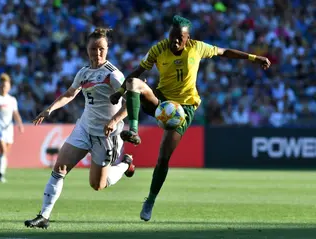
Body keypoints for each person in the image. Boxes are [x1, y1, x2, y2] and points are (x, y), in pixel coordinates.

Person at [110, 15, 271, 221]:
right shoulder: (158, 49)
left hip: (184, 109)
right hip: (161, 101)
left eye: (180, 37)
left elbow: (224, 51)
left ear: (188, 38)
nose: (175, 41)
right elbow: (139, 70)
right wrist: (119, 91)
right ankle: (133, 130)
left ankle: (150, 199)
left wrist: (254, 58)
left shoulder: (197, 47)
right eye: (172, 36)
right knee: (133, 83)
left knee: (163, 157)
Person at [24, 28, 135, 229]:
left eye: (101, 49)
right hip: (84, 127)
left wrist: (114, 120)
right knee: (60, 166)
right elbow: (70, 93)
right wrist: (49, 109)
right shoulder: (83, 73)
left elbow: (132, 103)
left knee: (97, 185)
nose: (98, 53)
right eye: (94, 49)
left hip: (107, 135)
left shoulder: (113, 75)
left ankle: (126, 164)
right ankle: (44, 216)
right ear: (87, 50)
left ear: (107, 49)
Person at [0, 73, 24, 183]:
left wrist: (20, 124)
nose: (3, 88)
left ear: (9, 87)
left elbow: (16, 114)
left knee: (5, 152)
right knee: (2, 149)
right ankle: (0, 174)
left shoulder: (12, 100)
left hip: (9, 128)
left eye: (5, 86)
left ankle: (1, 171)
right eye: (2, 86)